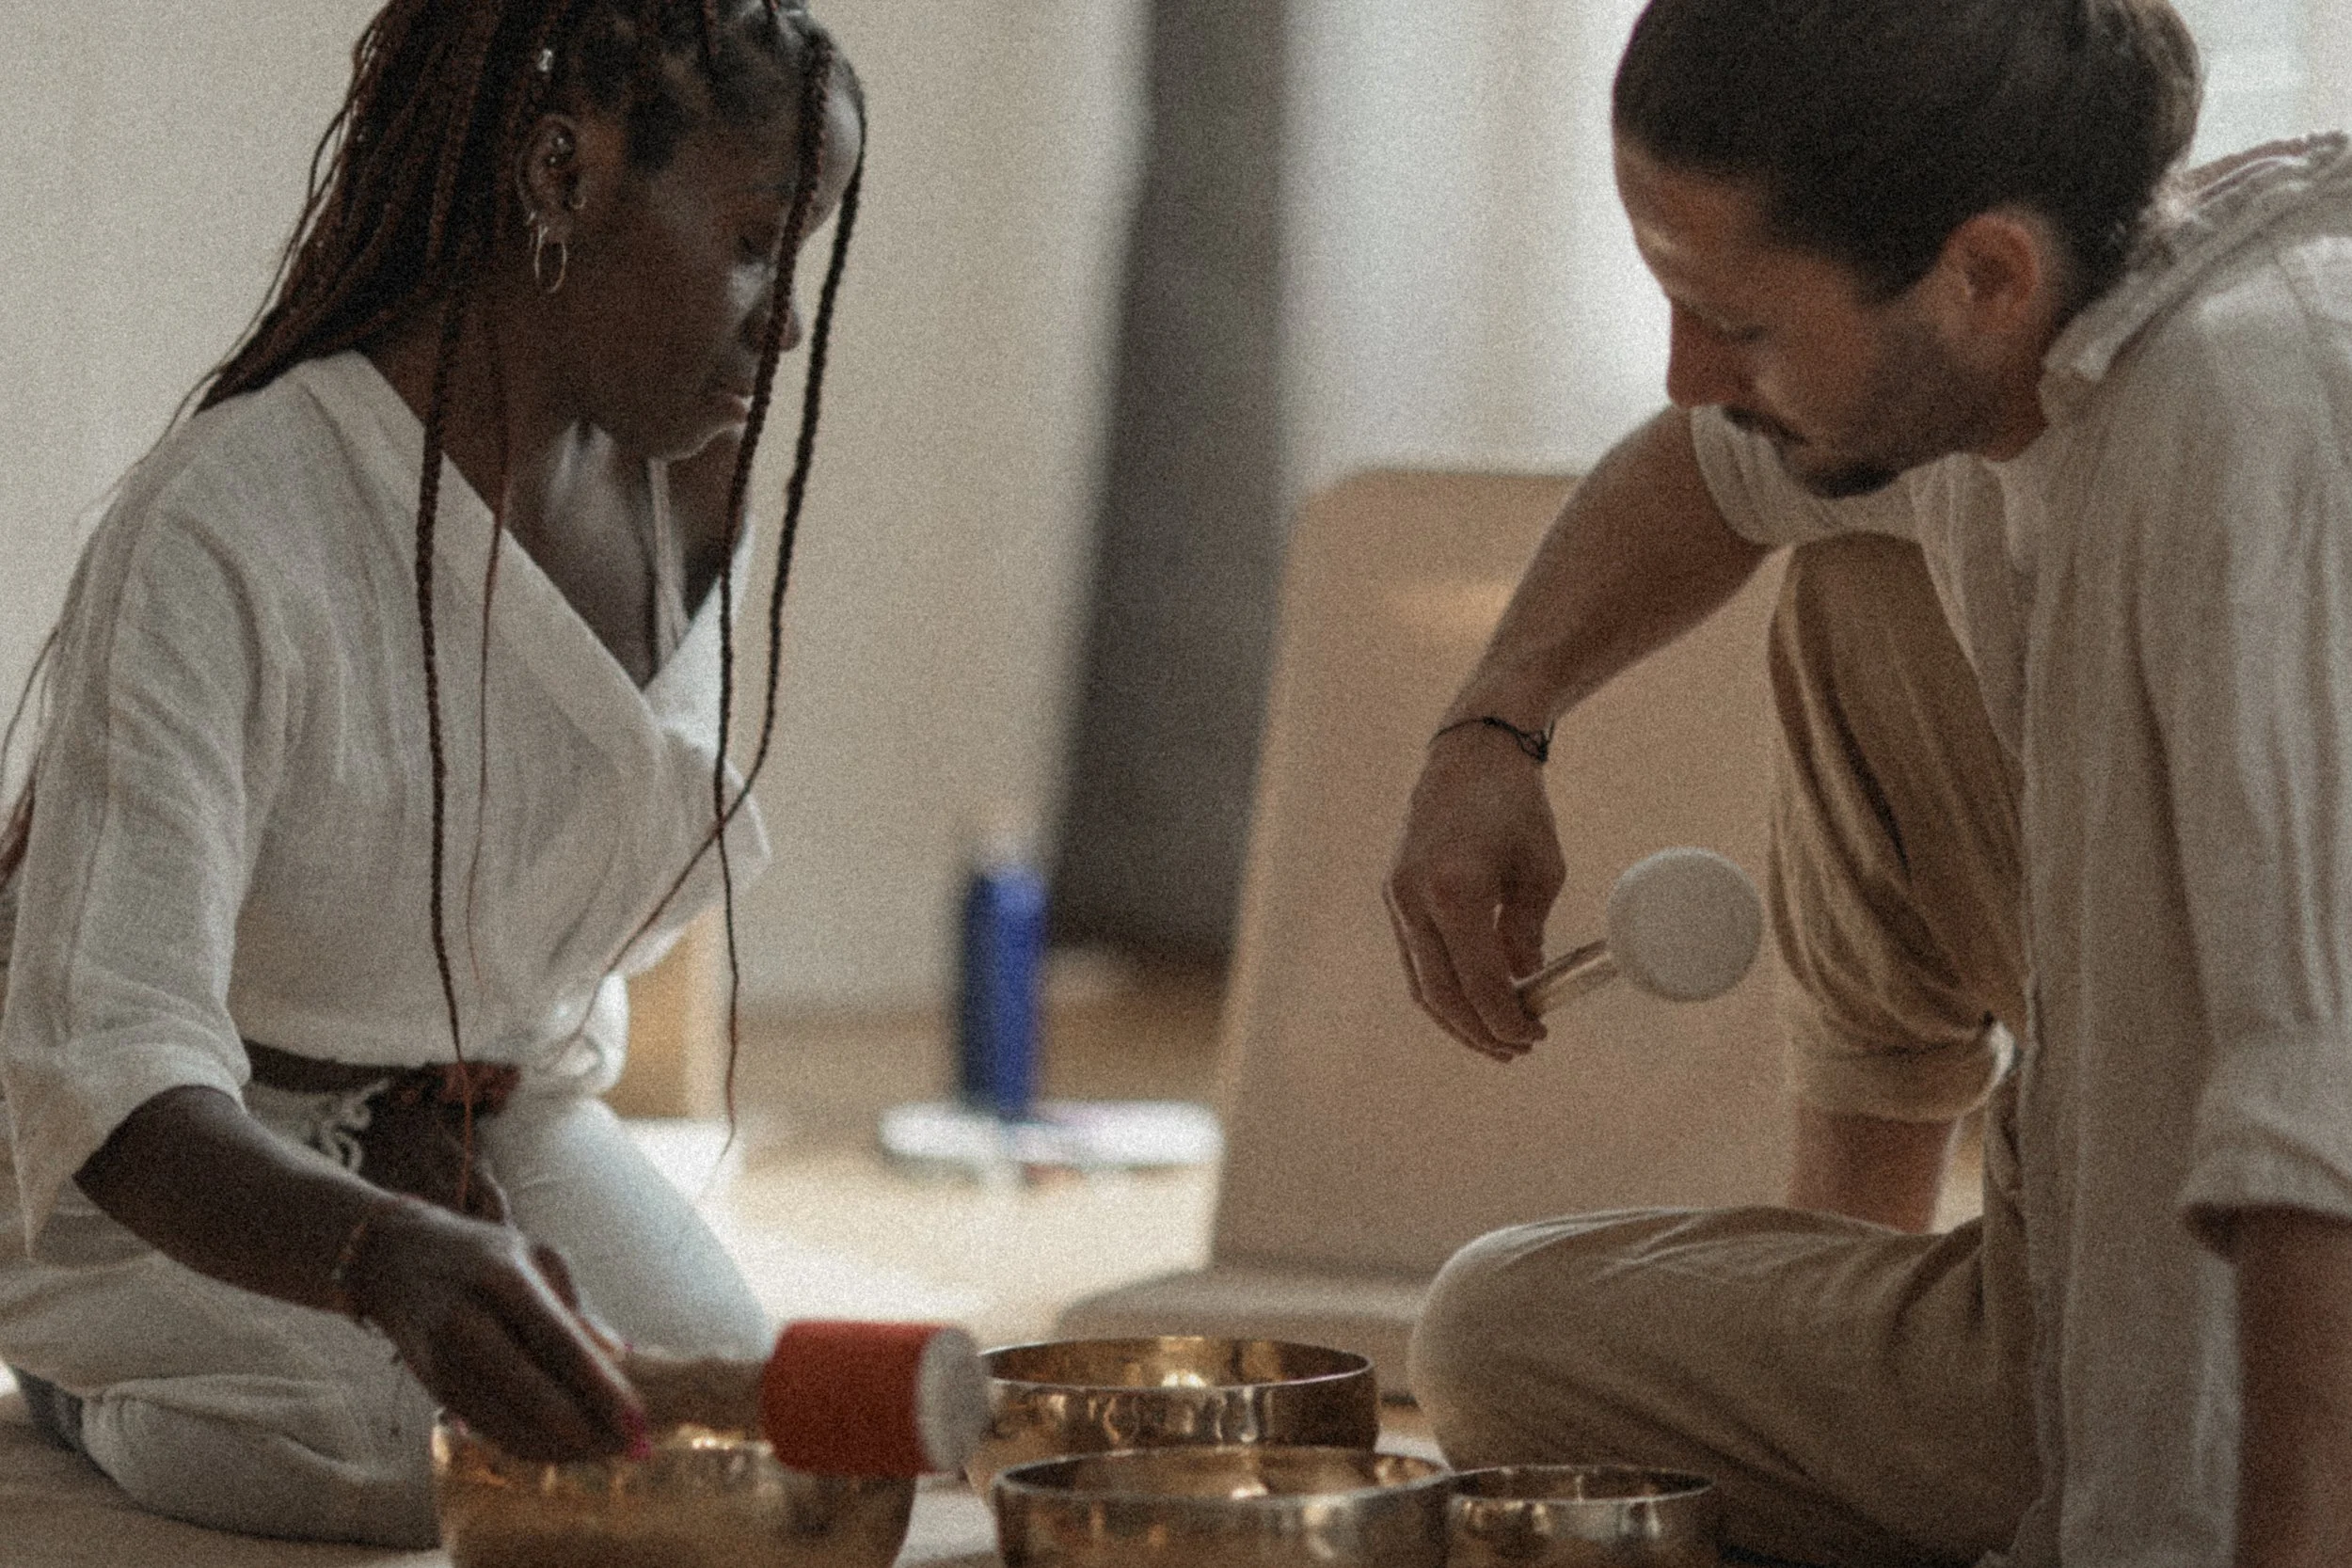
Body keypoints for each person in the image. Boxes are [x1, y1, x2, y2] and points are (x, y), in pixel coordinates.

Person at [1385, 2, 2352, 1564]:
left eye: (1737, 324)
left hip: (2293, 1371)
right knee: (1498, 1332)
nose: (1686, 373)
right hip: (2081, 1272)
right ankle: (1865, 1265)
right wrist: (1495, 724)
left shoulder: (2254, 431)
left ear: (1986, 275)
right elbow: (1704, 473)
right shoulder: (2035, 331)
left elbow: (2324, 1099)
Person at [0, 0, 865, 1546]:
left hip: (465, 1125)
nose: (784, 322)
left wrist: (444, 1117)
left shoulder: (687, 501)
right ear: (561, 174)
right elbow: (108, 1068)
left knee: (703, 1418)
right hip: (154, 1170)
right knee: (389, 1443)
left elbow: (533, 910)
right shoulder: (227, 521)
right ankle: (81, 1368)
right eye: (752, 244)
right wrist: (376, 1250)